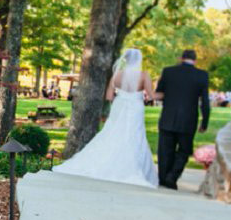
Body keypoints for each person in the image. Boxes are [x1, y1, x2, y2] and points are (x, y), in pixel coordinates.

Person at [53, 48, 158, 187]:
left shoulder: (117, 75)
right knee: (134, 134)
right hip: (135, 108)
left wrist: (121, 99)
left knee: (112, 133)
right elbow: (151, 95)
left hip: (119, 106)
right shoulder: (144, 75)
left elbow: (109, 96)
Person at [154, 49, 210, 190]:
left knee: (165, 150)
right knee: (184, 150)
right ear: (195, 60)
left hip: (168, 116)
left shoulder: (168, 72)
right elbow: (205, 101)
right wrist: (205, 122)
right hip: (188, 119)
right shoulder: (202, 75)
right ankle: (172, 177)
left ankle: (163, 178)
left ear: (181, 58)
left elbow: (160, 92)